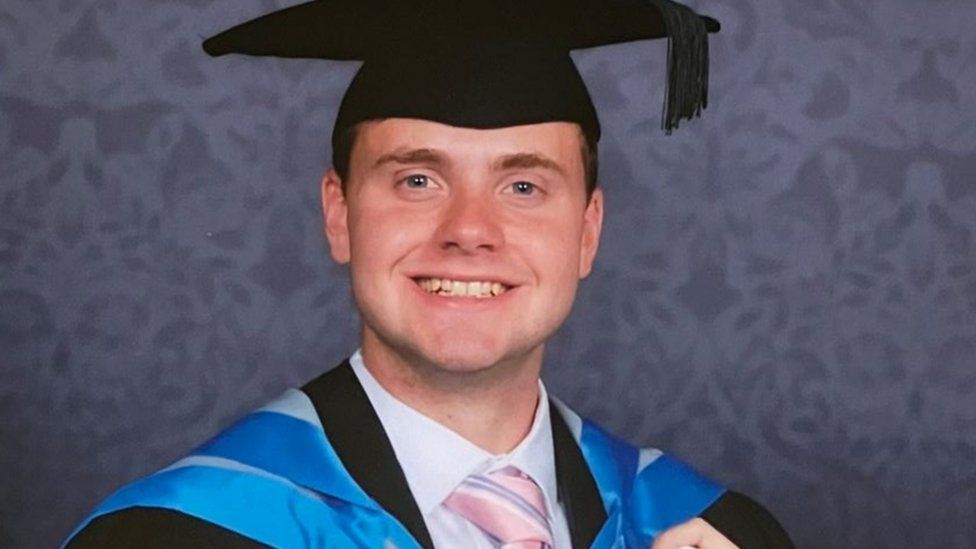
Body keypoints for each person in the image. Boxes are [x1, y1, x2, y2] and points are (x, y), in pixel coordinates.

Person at [64, 0, 793, 547]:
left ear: (587, 233)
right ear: (340, 214)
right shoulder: (179, 533)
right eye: (417, 180)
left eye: (523, 187)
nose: (469, 231)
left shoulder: (710, 528)